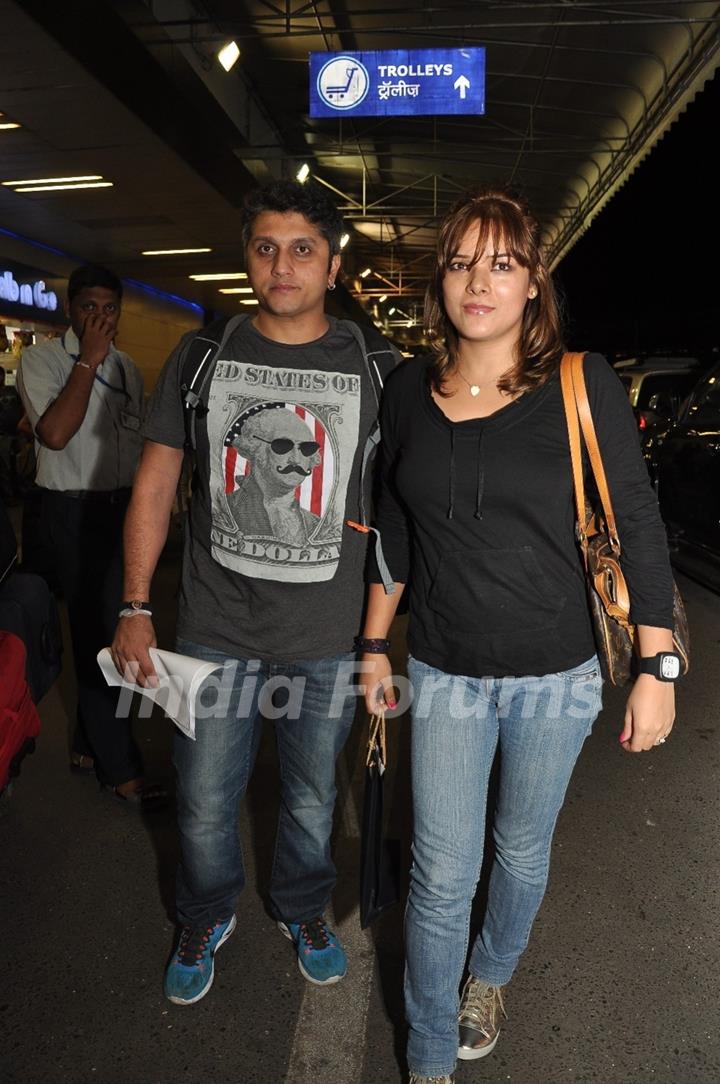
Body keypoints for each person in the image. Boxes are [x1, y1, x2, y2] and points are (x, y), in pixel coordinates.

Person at [359, 186, 678, 1084]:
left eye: (502, 263)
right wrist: (374, 647)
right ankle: (427, 1059)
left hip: (559, 673)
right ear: (440, 283)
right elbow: (395, 525)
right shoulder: (407, 391)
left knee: (520, 848)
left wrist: (658, 663)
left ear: (534, 282)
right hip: (447, 669)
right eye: (461, 261)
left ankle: (488, 977)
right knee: (437, 876)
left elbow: (639, 523)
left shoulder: (583, 384)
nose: (479, 282)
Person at [110, 179, 400, 1004]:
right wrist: (136, 605)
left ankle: (303, 907)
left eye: (303, 248)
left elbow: (414, 493)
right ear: (248, 259)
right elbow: (158, 486)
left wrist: (381, 635)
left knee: (312, 797)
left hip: (329, 633)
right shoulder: (204, 359)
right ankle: (205, 912)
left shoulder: (375, 368)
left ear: (334, 264)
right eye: (266, 247)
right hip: (213, 628)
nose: (283, 265)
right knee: (203, 798)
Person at [16, 265, 165, 807]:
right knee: (104, 638)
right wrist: (87, 361)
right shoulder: (43, 361)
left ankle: (88, 745)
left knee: (109, 627)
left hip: (119, 508)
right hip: (70, 512)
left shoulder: (128, 368)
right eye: (88, 308)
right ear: (70, 310)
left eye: (109, 309)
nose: (100, 319)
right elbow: (54, 434)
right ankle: (119, 767)